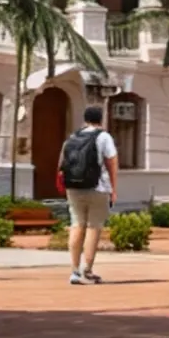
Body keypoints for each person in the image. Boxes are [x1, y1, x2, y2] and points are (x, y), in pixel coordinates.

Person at [58, 104, 117, 285]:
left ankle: (74, 271)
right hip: (97, 187)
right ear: (101, 118)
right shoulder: (104, 137)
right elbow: (112, 163)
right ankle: (87, 270)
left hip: (73, 187)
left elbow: (62, 163)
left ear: (85, 118)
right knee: (93, 227)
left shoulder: (72, 137)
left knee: (76, 225)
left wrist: (63, 184)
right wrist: (114, 189)